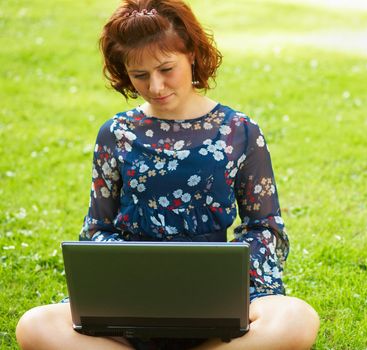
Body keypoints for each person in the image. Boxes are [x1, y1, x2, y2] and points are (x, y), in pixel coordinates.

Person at [15, 0, 320, 349]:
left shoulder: (239, 130)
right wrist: (136, 272)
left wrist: (220, 277)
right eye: (140, 75)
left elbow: (265, 227)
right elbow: (98, 229)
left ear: (191, 53)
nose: (156, 87)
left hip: (214, 298)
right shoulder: (116, 133)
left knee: (297, 319)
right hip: (131, 297)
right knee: (34, 326)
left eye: (166, 69)